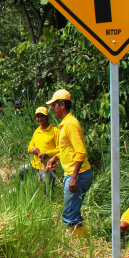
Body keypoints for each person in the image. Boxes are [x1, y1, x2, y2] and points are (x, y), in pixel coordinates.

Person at [45, 89, 93, 238]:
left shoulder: (70, 124)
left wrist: (74, 177)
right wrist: (56, 157)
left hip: (78, 175)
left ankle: (79, 243)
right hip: (77, 174)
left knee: (69, 214)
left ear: (62, 105)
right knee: (72, 211)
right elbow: (69, 148)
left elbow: (81, 152)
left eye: (54, 105)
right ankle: (82, 240)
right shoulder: (66, 124)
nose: (52, 109)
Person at [18, 107, 59, 192]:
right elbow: (29, 147)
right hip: (35, 165)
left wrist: (47, 153)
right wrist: (33, 149)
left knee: (47, 190)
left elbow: (60, 149)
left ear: (47, 117)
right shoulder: (36, 131)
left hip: (48, 167)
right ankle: (19, 191)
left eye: (42, 116)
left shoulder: (55, 131)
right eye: (38, 117)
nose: (40, 119)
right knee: (17, 174)